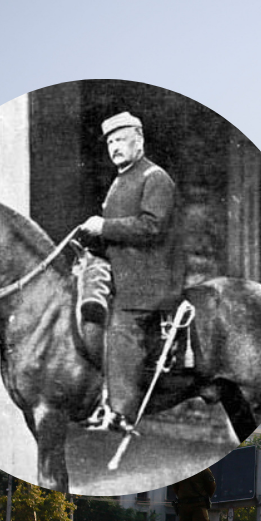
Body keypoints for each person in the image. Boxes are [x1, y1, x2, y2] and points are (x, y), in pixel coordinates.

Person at [80, 111, 177, 433]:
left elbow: (152, 227)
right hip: (124, 274)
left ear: (140, 140)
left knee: (122, 328)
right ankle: (99, 401)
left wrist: (104, 226)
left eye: (121, 139)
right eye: (110, 142)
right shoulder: (122, 179)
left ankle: (120, 413)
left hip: (149, 279)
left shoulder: (154, 178)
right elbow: (118, 236)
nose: (115, 147)